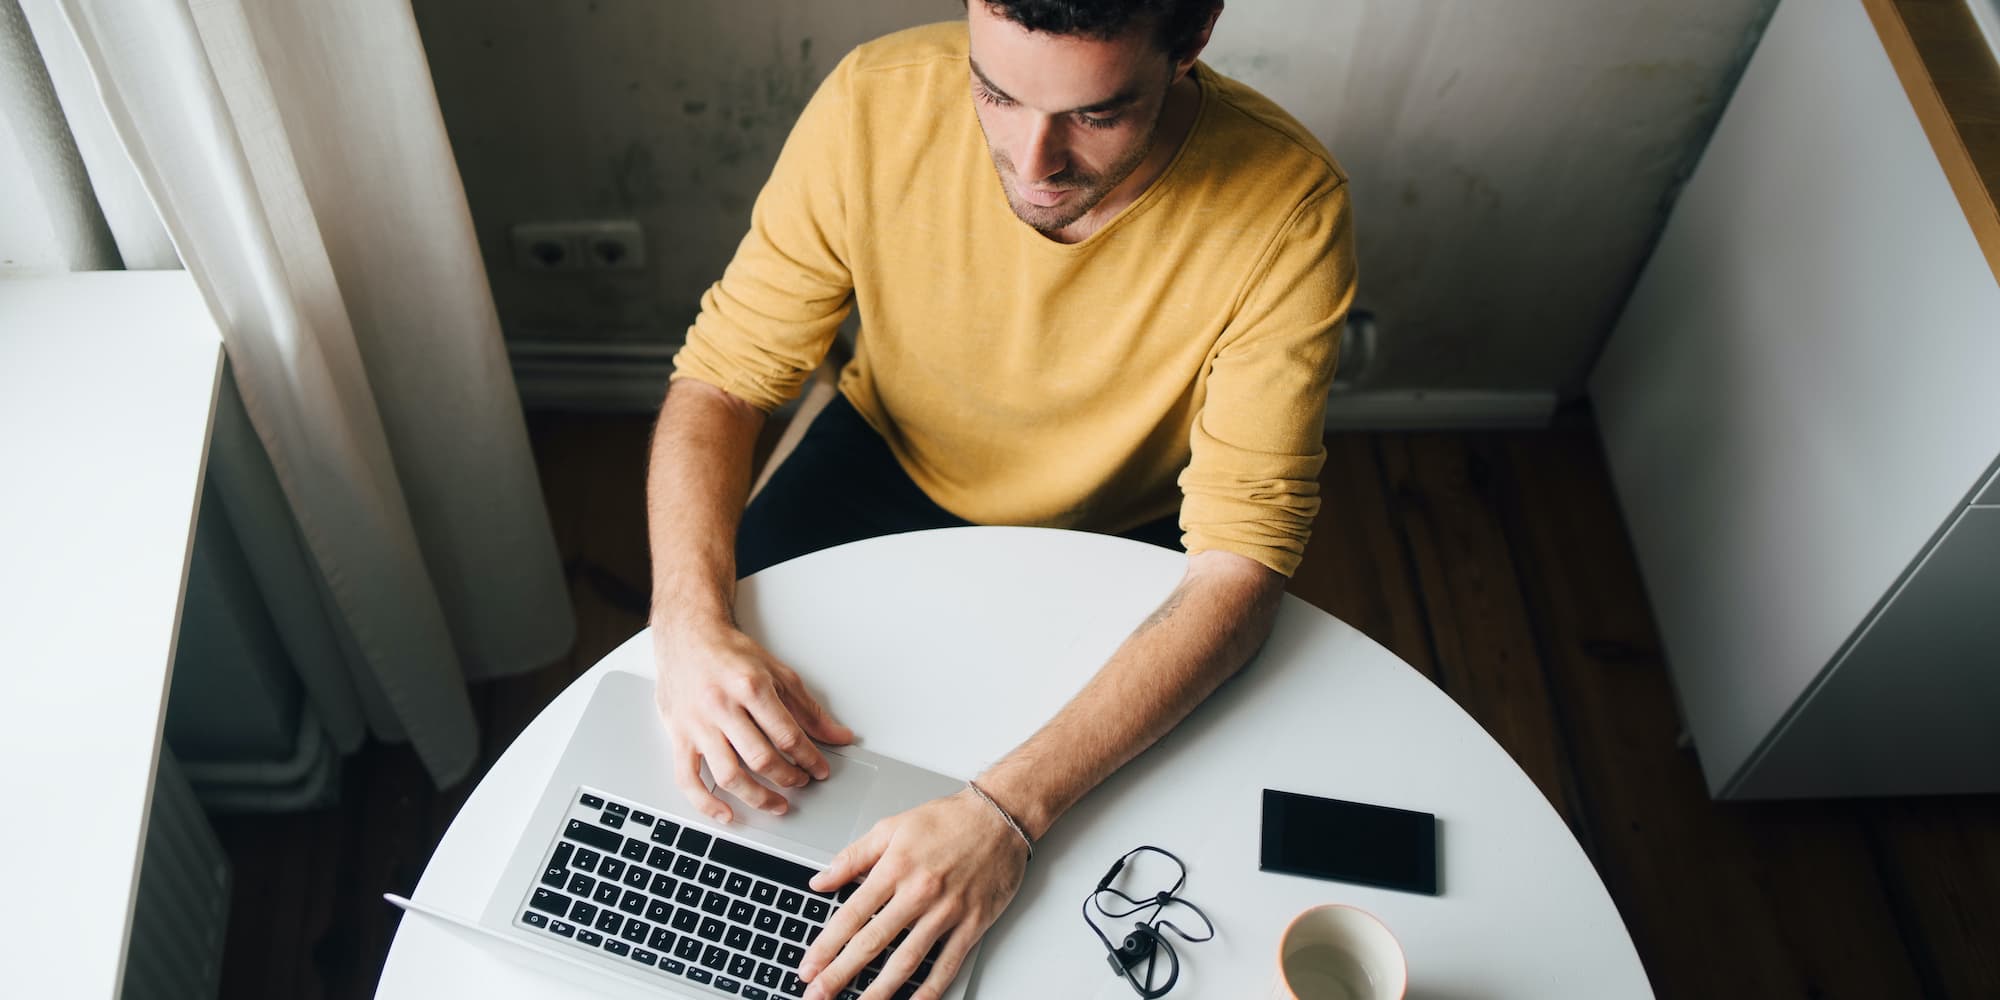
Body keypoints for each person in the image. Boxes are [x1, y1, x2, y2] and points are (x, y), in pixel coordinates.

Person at [643, 1, 1355, 996]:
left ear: (1189, 43)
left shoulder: (1288, 205)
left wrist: (1005, 816)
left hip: (1124, 520)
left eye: (1096, 114)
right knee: (696, 787)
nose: (1032, 161)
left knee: (1129, 859)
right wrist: (683, 621)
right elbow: (723, 379)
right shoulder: (875, 98)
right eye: (996, 93)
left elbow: (1243, 557)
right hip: (883, 457)